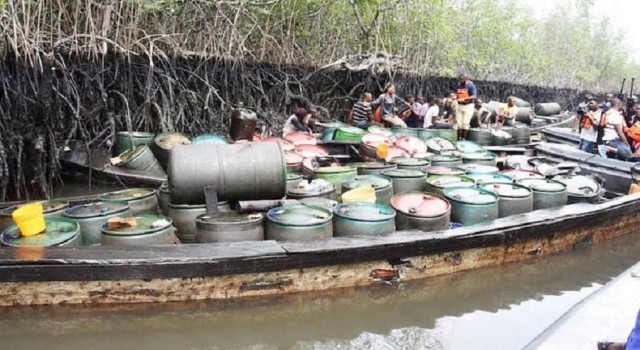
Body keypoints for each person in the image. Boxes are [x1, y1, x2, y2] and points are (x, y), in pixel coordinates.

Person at [455, 73, 477, 140]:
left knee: (465, 123)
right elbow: (457, 94)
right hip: (460, 105)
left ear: (466, 79)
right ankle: (458, 139)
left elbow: (474, 96)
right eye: (460, 79)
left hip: (468, 106)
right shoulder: (458, 85)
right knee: (459, 124)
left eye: (462, 79)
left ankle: (464, 138)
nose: (460, 81)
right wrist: (455, 96)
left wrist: (465, 99)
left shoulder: (471, 86)